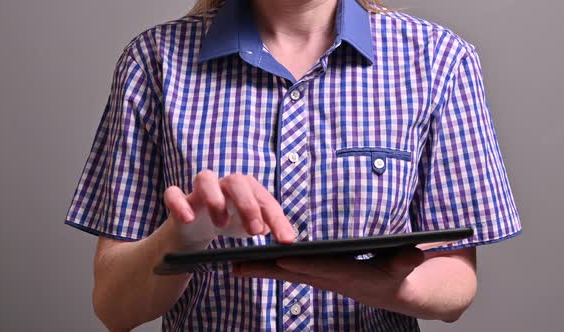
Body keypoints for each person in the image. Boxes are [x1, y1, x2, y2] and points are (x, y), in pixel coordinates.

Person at [65, 0, 522, 330]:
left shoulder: (440, 61)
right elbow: (113, 307)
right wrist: (182, 237)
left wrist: (372, 282)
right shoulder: (153, 63)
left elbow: (456, 286)